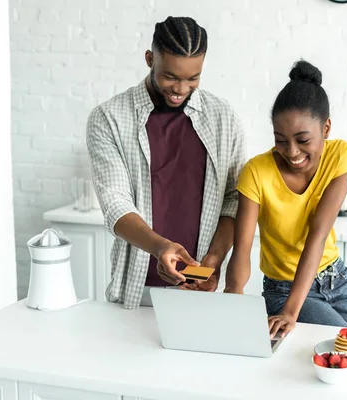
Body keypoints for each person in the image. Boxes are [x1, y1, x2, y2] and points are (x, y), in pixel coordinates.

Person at [86, 16, 246, 309]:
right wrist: (159, 248)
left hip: (201, 288)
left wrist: (214, 259)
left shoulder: (224, 117)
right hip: (138, 290)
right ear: (150, 59)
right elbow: (115, 203)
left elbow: (234, 199)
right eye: (171, 76)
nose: (181, 88)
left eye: (192, 78)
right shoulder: (109, 118)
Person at [224, 60, 347, 338]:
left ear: (326, 128)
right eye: (280, 140)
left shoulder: (340, 155)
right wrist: (234, 297)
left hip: (337, 280)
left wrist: (290, 314)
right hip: (284, 290)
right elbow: (241, 250)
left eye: (303, 140)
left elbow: (317, 235)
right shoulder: (256, 172)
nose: (291, 152)